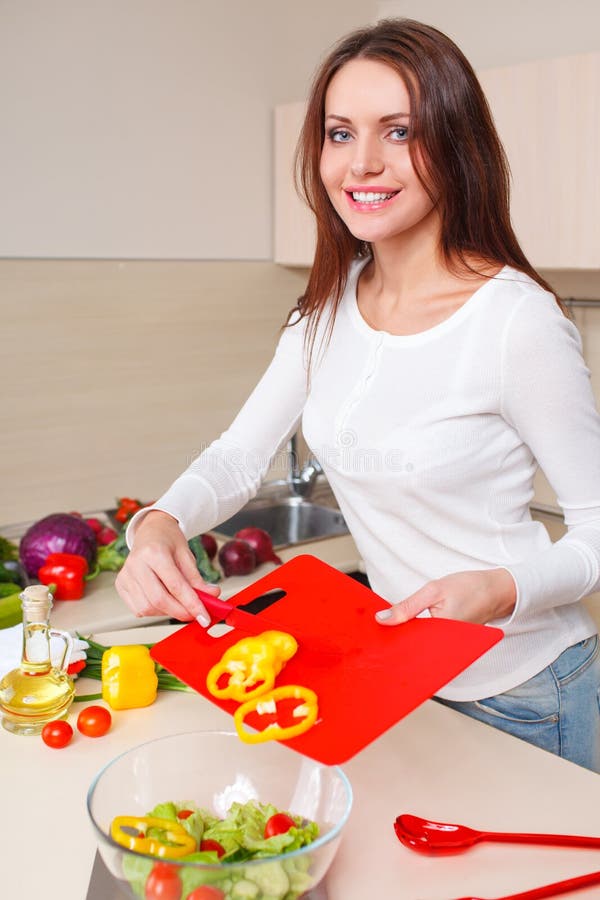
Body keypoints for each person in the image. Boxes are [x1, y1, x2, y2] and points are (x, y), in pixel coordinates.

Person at [116, 18, 600, 772]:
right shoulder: (325, 306)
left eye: (399, 130)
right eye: (340, 134)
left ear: (455, 142)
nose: (363, 162)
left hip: (528, 691)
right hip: (399, 679)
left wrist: (500, 590)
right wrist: (158, 522)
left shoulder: (516, 321)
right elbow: (238, 456)